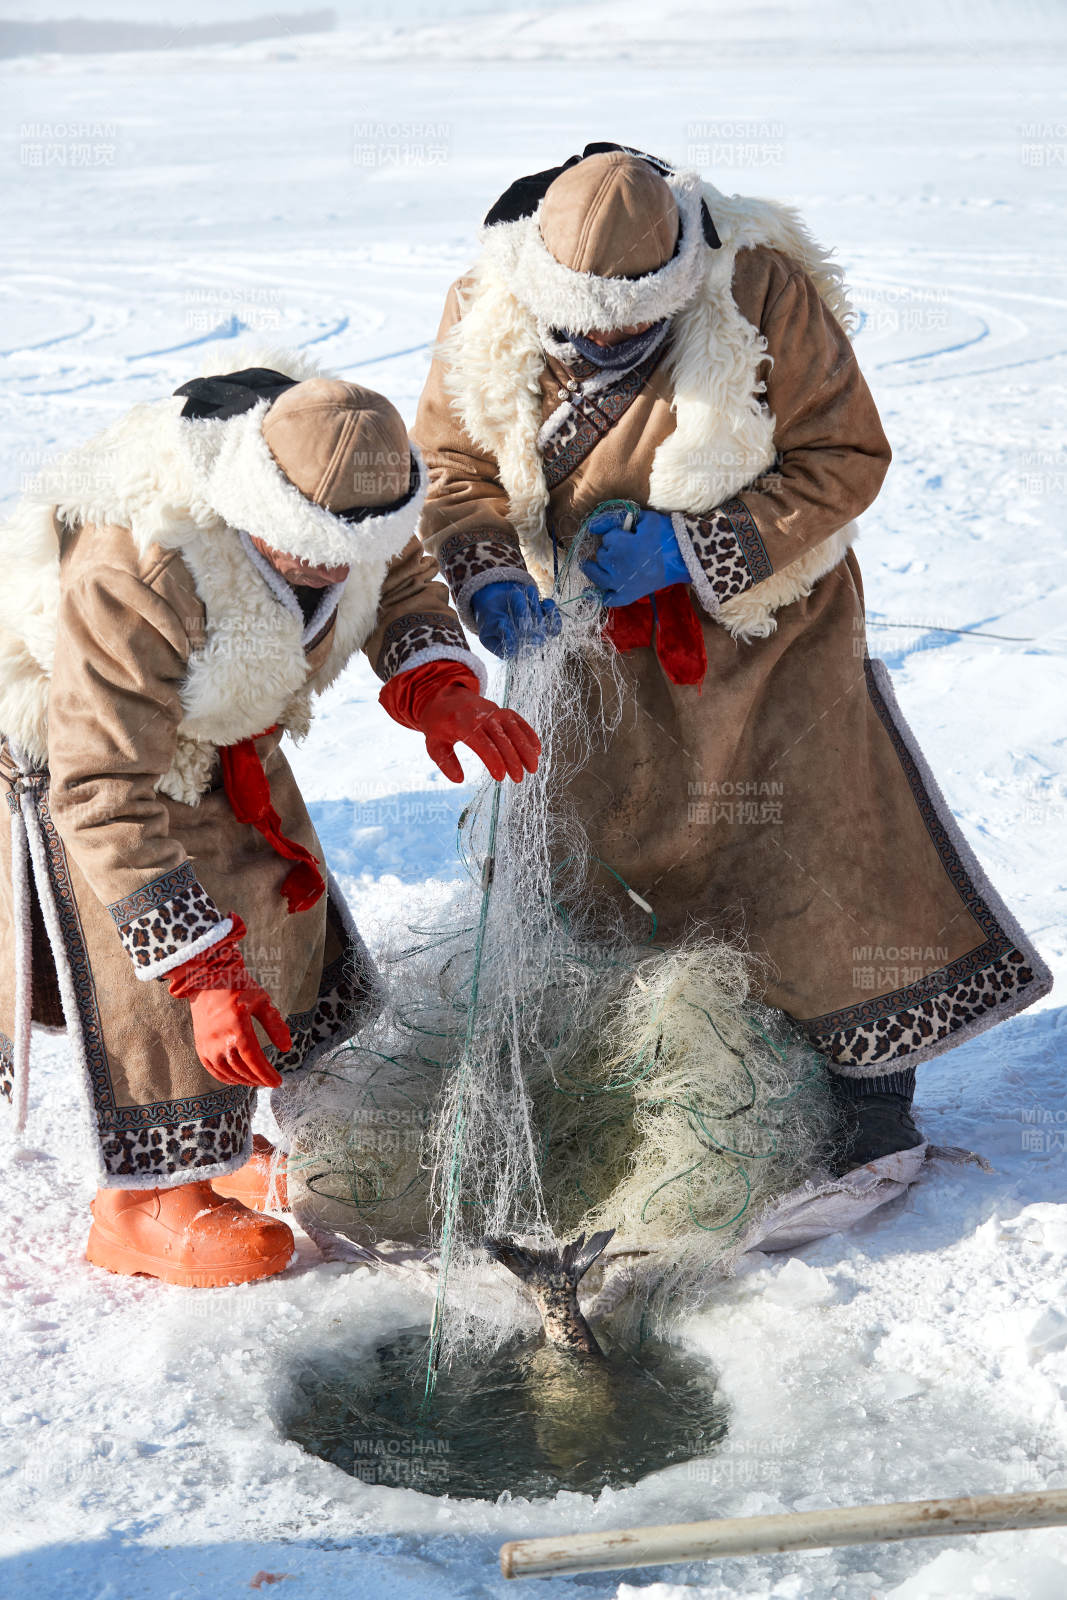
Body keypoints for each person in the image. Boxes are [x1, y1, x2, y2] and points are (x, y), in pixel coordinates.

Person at [412, 142, 1052, 1175]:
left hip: (768, 638)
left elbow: (843, 458)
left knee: (813, 848)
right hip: (579, 646)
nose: (608, 336)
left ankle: (864, 1097)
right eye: (584, 322)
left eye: (633, 319)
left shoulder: (759, 289)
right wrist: (487, 573)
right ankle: (637, 1085)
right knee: (599, 863)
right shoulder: (483, 307)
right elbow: (450, 464)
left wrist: (693, 546)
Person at [0, 358, 539, 1286]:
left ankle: (216, 1143)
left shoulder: (355, 494)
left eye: (354, 543)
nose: (338, 564)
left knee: (274, 910)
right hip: (91, 753)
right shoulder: (145, 563)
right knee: (165, 984)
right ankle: (143, 1204)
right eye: (316, 543)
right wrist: (202, 974)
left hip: (220, 726)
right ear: (262, 501)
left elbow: (399, 578)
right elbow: (100, 792)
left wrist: (436, 684)